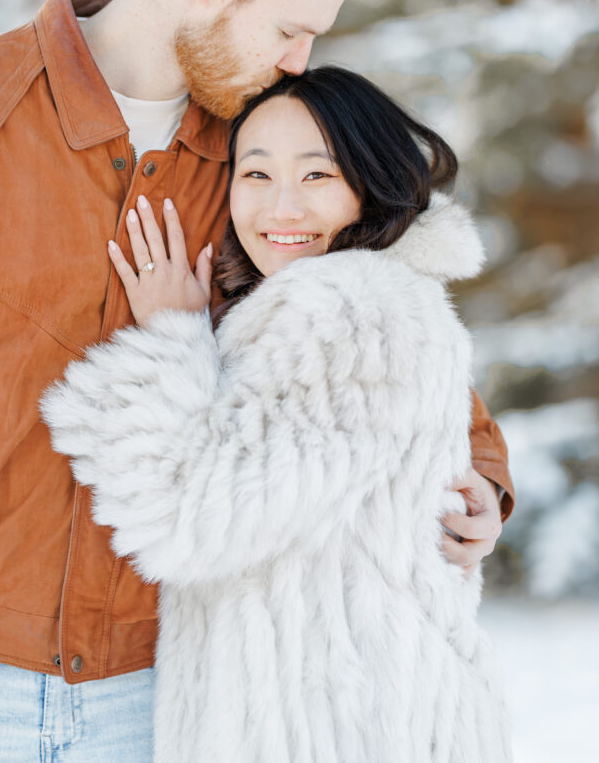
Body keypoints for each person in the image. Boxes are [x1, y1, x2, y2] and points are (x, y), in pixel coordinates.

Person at [0, 0, 513, 761]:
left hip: (169, 694)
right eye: (290, 28)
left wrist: (483, 481)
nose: (299, 59)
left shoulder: (265, 156)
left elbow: (369, 313)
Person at [40, 65, 513, 762]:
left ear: (370, 184)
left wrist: (168, 339)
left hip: (339, 727)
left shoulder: (352, 312)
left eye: (317, 177)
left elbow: (192, 516)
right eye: (256, 175)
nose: (279, 209)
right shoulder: (334, 298)